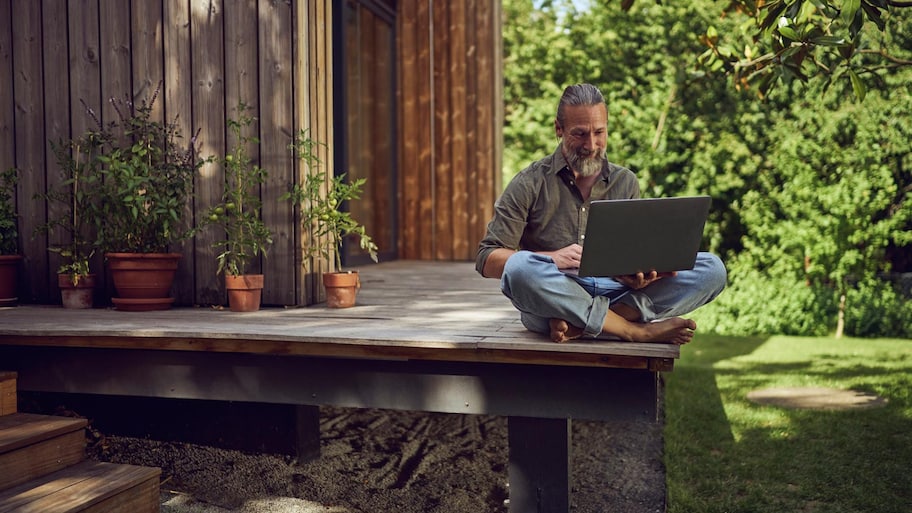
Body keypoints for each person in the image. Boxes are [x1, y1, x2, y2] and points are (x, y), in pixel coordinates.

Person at [476, 83, 726, 345]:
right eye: (580, 134)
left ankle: (587, 324)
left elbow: (633, 255)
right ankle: (633, 330)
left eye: (599, 132)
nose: (591, 145)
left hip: (615, 293)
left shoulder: (626, 181)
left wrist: (638, 276)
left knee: (712, 270)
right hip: (554, 297)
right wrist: (552, 259)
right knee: (519, 269)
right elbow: (486, 258)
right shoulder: (529, 182)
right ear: (558, 129)